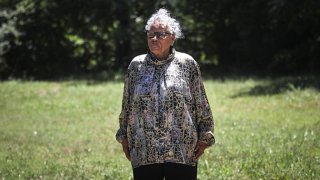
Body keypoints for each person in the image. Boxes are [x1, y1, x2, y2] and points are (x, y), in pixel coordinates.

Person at [116, 8, 215, 180]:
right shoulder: (136, 66)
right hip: (144, 148)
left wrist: (205, 136)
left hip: (182, 149)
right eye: (151, 34)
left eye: (161, 34)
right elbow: (127, 105)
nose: (154, 38)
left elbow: (201, 102)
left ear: (173, 37)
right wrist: (123, 136)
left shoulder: (187, 64)